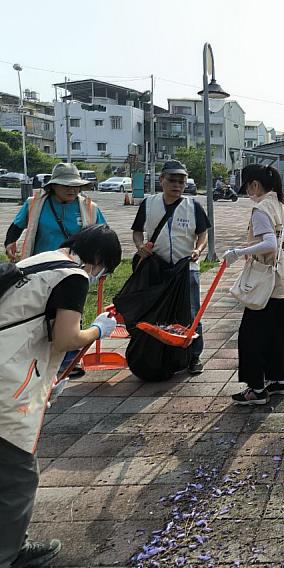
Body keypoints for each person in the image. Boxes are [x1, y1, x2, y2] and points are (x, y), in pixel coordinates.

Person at [0, 224, 121, 568]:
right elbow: (66, 338)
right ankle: (8, 554)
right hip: (8, 380)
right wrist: (98, 329)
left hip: (11, 366)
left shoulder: (41, 260)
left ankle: (12, 539)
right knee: (19, 473)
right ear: (98, 260)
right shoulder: (74, 276)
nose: (100, 277)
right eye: (104, 270)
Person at [4, 163, 107, 380]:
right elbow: (16, 226)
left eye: (76, 186)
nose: (72, 190)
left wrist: (101, 263)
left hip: (74, 272)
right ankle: (41, 356)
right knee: (41, 313)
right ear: (53, 186)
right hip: (42, 270)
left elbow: (103, 234)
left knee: (70, 313)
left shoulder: (89, 207)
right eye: (66, 186)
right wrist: (10, 243)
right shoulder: (35, 204)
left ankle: (69, 361)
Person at [223, 164, 284, 405]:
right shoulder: (281, 208)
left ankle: (256, 388)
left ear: (254, 184)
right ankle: (279, 381)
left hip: (264, 282)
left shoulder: (261, 209)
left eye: (247, 186)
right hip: (282, 280)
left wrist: (239, 251)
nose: (246, 191)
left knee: (251, 336)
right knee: (277, 333)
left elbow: (269, 244)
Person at [131, 160, 211, 375]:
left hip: (186, 269)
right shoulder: (148, 204)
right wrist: (140, 247)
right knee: (159, 312)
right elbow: (137, 231)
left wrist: (199, 249)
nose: (177, 185)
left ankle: (194, 355)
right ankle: (162, 354)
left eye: (181, 182)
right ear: (161, 181)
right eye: (172, 181)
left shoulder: (192, 206)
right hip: (157, 268)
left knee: (192, 313)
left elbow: (203, 233)